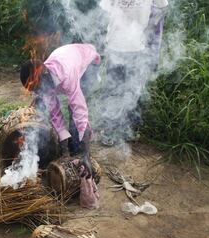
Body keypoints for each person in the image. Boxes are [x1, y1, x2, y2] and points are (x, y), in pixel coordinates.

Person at [20, 43, 101, 179]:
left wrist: (86, 155)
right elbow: (56, 115)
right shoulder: (44, 79)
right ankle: (70, 148)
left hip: (89, 64)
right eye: (34, 91)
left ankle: (81, 149)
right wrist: (64, 154)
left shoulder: (67, 75)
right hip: (69, 57)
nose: (38, 93)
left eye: (38, 89)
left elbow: (81, 114)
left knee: (74, 109)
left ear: (45, 78)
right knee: (53, 106)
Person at [98, 0, 169, 146]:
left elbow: (161, 9)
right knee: (114, 90)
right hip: (115, 46)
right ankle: (110, 130)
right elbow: (103, 12)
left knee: (133, 90)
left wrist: (149, 33)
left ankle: (127, 129)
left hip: (137, 47)